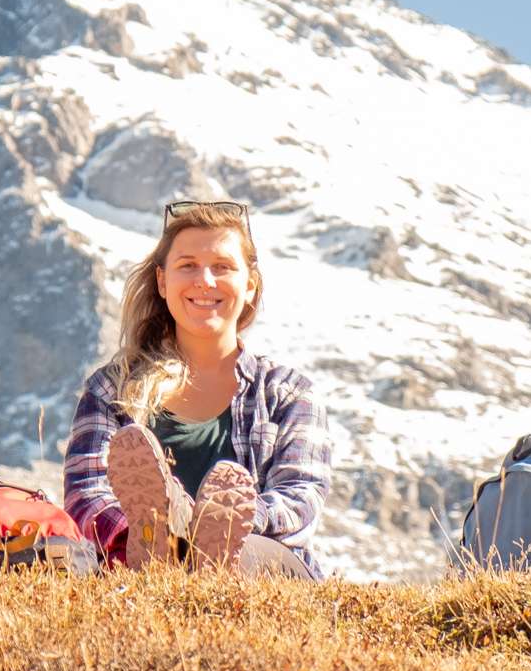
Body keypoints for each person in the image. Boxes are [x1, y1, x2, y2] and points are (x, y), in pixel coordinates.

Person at [62, 199, 331, 578]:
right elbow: (85, 494)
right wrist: (142, 536)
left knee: (240, 552)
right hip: (142, 565)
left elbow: (301, 501)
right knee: (140, 548)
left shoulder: (288, 394)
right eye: (187, 266)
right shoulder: (112, 389)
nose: (205, 281)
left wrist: (222, 518)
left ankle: (197, 548)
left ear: (250, 286)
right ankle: (158, 542)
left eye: (222, 267)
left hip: (263, 566)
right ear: (162, 281)